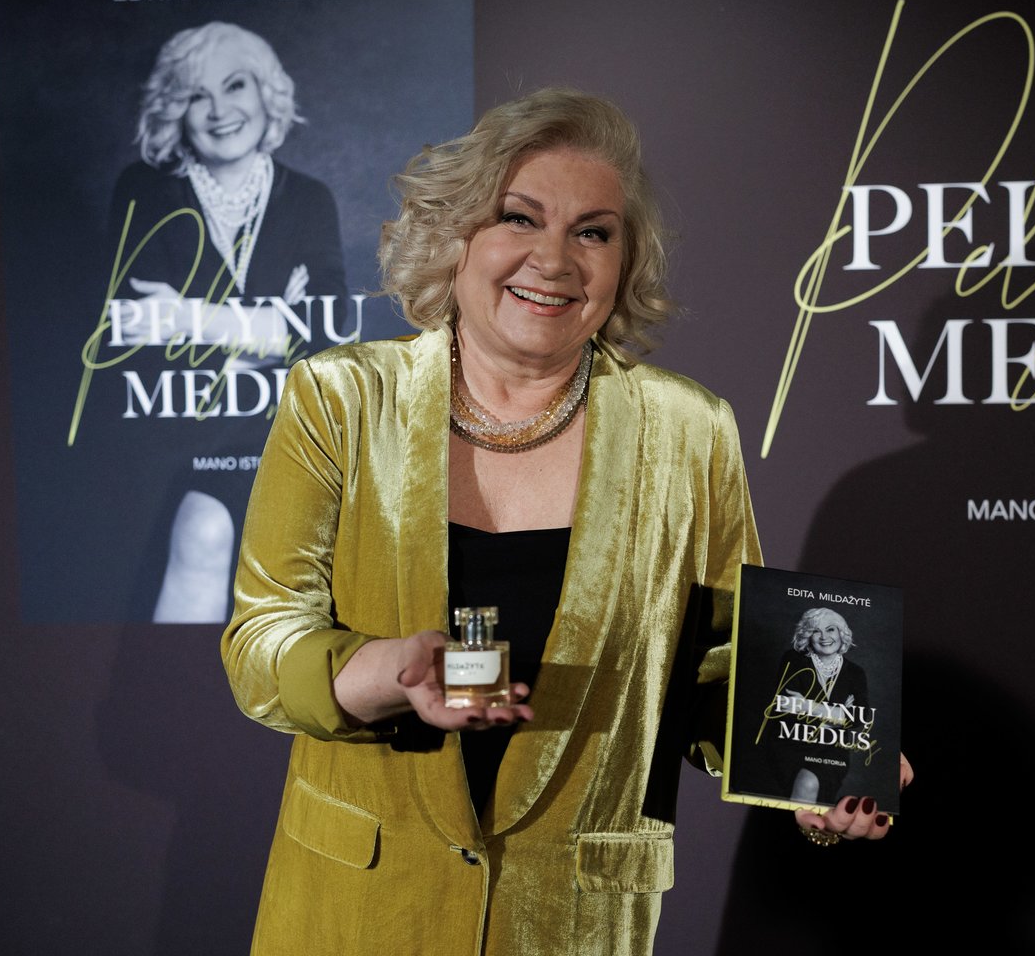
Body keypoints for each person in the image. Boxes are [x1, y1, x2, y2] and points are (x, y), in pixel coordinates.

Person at [222, 88, 901, 956]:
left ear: (624, 262)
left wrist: (815, 770)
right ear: (456, 236)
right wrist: (391, 671)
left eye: (593, 232)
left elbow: (725, 670)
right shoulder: (341, 400)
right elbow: (263, 645)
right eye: (519, 218)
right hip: (358, 911)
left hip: (574, 921)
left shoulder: (690, 431)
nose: (553, 260)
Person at [109, 21, 348, 622]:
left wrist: (186, 317)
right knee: (202, 534)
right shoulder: (143, 191)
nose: (219, 111)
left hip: (288, 433)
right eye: (197, 94)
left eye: (235, 85)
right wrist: (268, 328)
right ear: (175, 108)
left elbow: (327, 331)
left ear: (267, 91)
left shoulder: (308, 198)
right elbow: (134, 332)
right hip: (176, 432)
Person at [771, 606, 868, 804]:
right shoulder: (794, 660)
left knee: (808, 785)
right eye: (816, 631)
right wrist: (838, 714)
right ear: (808, 635)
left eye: (830, 629)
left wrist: (807, 706)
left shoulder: (855, 673)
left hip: (832, 750)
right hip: (791, 744)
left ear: (841, 633)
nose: (824, 637)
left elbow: (861, 717)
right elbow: (786, 706)